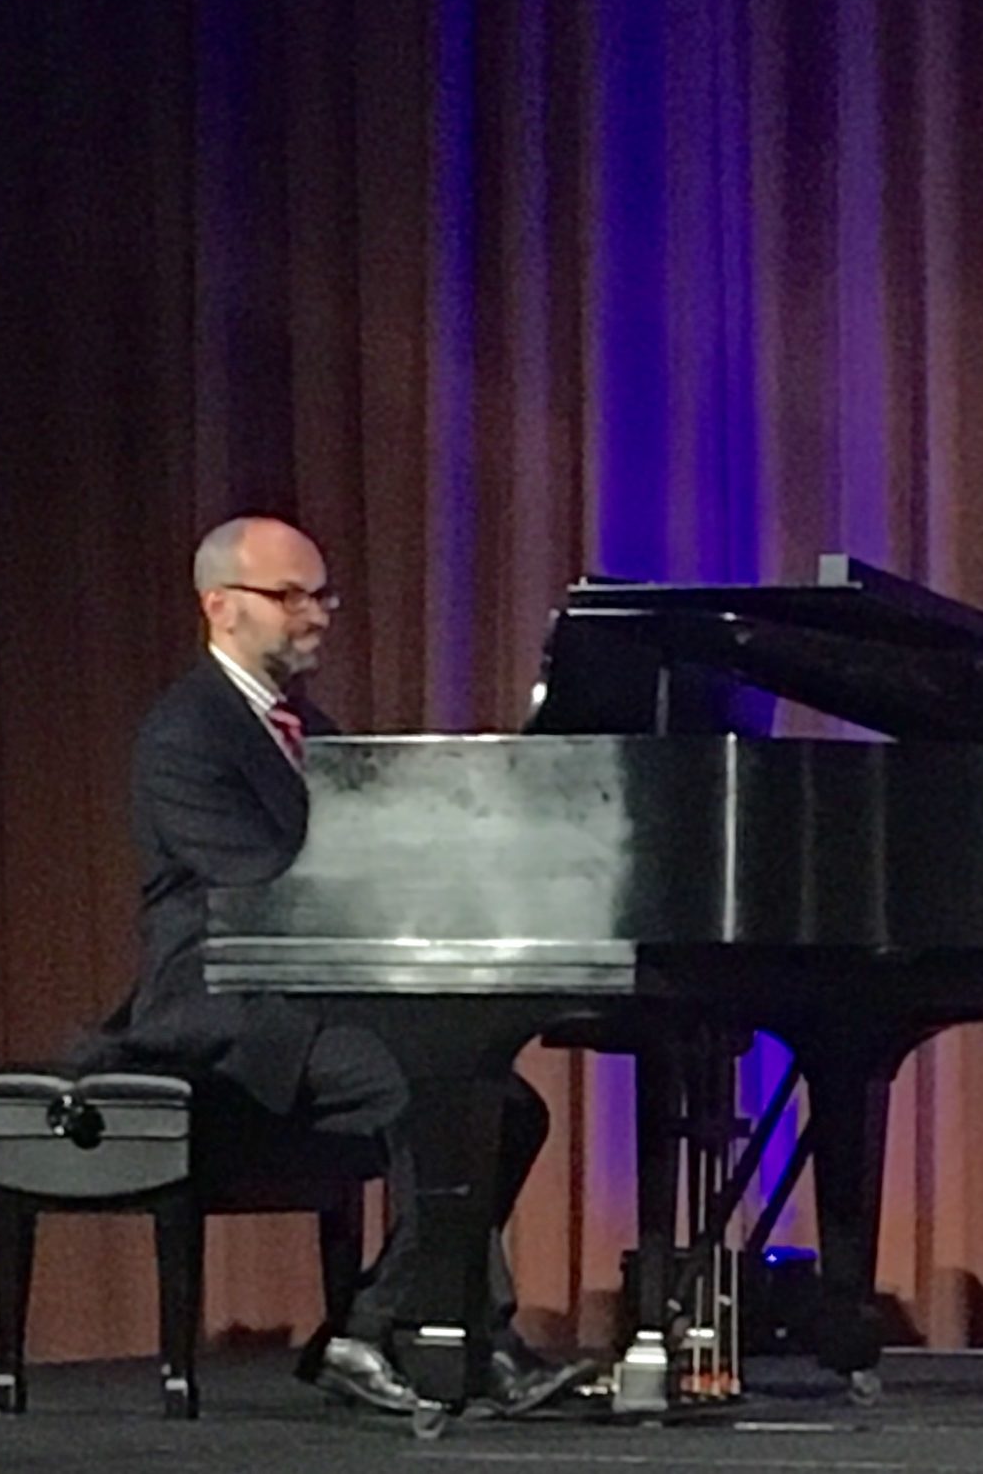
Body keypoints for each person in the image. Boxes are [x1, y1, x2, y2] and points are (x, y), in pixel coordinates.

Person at [82, 515, 589, 1416]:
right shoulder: (185, 732)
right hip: (223, 997)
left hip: (315, 984)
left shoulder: (307, 727)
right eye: (292, 596)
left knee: (507, 1108)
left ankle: (372, 1327)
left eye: (324, 594)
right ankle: (460, 1334)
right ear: (220, 606)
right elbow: (259, 882)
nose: (316, 614)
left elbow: (359, 864)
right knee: (425, 1091)